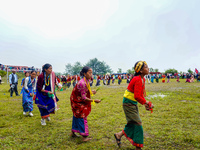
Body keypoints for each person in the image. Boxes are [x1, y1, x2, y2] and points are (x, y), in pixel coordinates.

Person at [114, 61, 154, 150]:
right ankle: (138, 147)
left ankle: (119, 135)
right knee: (138, 123)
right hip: (128, 103)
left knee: (132, 123)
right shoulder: (137, 79)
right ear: (140, 71)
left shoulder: (142, 79)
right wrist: (147, 103)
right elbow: (137, 96)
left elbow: (140, 94)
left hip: (132, 103)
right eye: (146, 67)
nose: (148, 68)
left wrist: (145, 104)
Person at [70, 66, 101, 142]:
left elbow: (84, 91)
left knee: (76, 115)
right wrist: (94, 100)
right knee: (81, 115)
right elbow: (84, 98)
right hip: (77, 101)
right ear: (84, 73)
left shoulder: (87, 80)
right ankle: (84, 136)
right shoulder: (82, 83)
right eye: (89, 73)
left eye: (92, 73)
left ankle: (73, 132)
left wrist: (91, 92)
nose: (91, 74)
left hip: (77, 99)